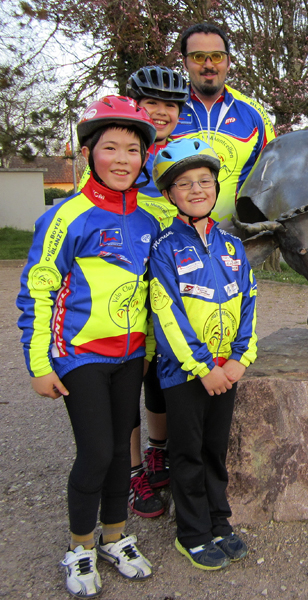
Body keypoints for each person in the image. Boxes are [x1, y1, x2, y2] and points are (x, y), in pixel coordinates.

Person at [17, 95, 159, 597]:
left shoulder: (148, 220)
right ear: (89, 153)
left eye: (132, 150)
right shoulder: (66, 216)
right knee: (97, 452)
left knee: (122, 453)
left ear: (145, 158)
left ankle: (115, 537)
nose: (122, 160)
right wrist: (38, 364)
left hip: (129, 359)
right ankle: (79, 546)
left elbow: (151, 295)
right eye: (110, 148)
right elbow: (39, 290)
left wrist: (146, 354)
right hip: (79, 358)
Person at [149, 138, 258, 569]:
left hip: (226, 371)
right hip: (185, 375)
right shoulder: (164, 247)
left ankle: (219, 521)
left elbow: (248, 301)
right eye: (184, 183)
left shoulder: (232, 246)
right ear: (169, 193)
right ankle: (191, 532)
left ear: (216, 187)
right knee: (189, 453)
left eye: (204, 181)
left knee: (215, 450)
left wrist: (238, 360)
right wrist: (202, 367)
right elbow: (167, 313)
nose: (197, 189)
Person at [123, 64, 191, 519]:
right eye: (152, 104)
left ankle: (158, 450)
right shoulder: (125, 158)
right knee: (127, 384)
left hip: (170, 291)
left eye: (170, 105)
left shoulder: (179, 157)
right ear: (137, 107)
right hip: (126, 293)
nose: (162, 112)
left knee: (160, 382)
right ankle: (132, 474)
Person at [171, 22, 276, 231]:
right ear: (185, 63)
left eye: (217, 56)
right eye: (198, 57)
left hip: (235, 246)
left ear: (228, 61)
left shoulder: (254, 113)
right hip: (170, 244)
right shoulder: (166, 110)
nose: (208, 64)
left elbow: (274, 175)